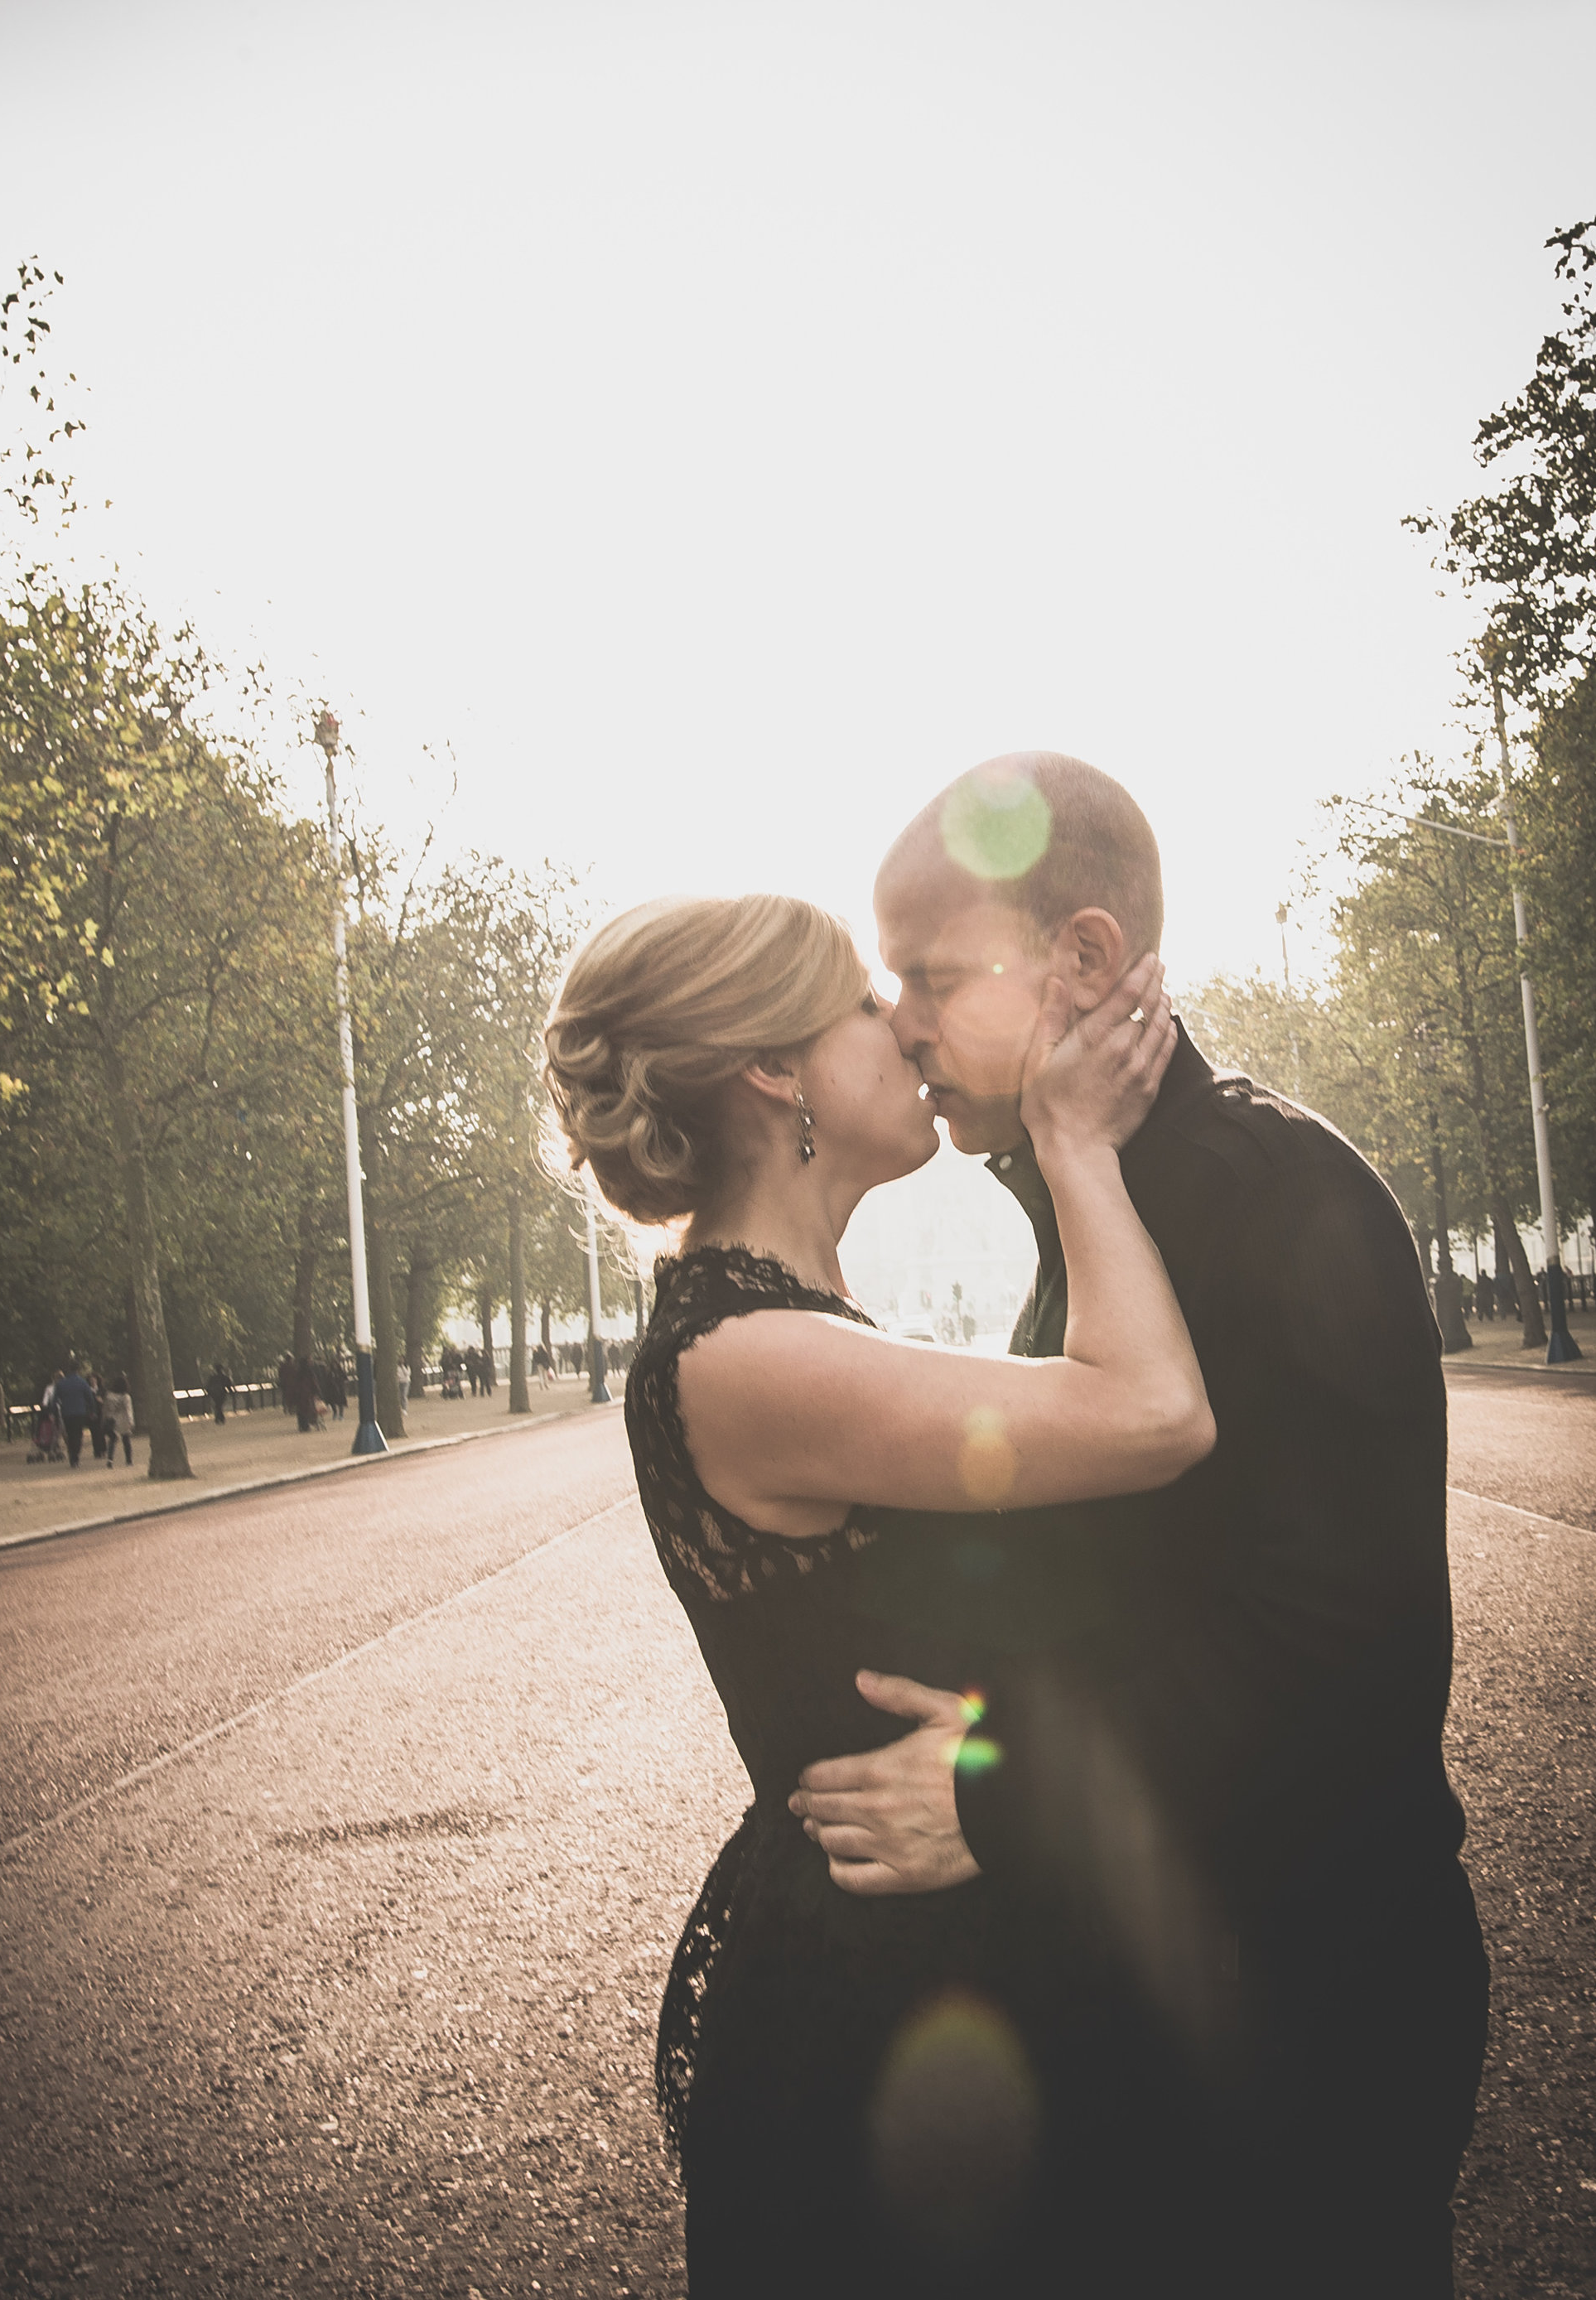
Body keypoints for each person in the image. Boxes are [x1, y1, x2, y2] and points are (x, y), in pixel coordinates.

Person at [786, 754, 1488, 2297]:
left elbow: (1338, 1650)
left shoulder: (1272, 1200)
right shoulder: (1098, 1202)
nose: (899, 1019)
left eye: (929, 973)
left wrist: (998, 1795)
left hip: (1315, 2009)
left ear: (1084, 961)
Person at [545, 889, 1210, 2296]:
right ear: (774, 1070)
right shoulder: (754, 1357)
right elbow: (1152, 1411)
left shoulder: (782, 1328)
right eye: (864, 1000)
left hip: (919, 1962)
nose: (904, 1025)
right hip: (882, 2002)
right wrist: (1076, 1142)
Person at [104, 1374, 133, 1467]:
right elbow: (128, 1410)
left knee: (112, 1440)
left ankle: (110, 1459)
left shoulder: (109, 1396)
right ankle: (128, 1460)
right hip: (123, 1419)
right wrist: (131, 1421)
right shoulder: (126, 1397)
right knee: (126, 1441)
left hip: (112, 1419)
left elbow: (106, 1409)